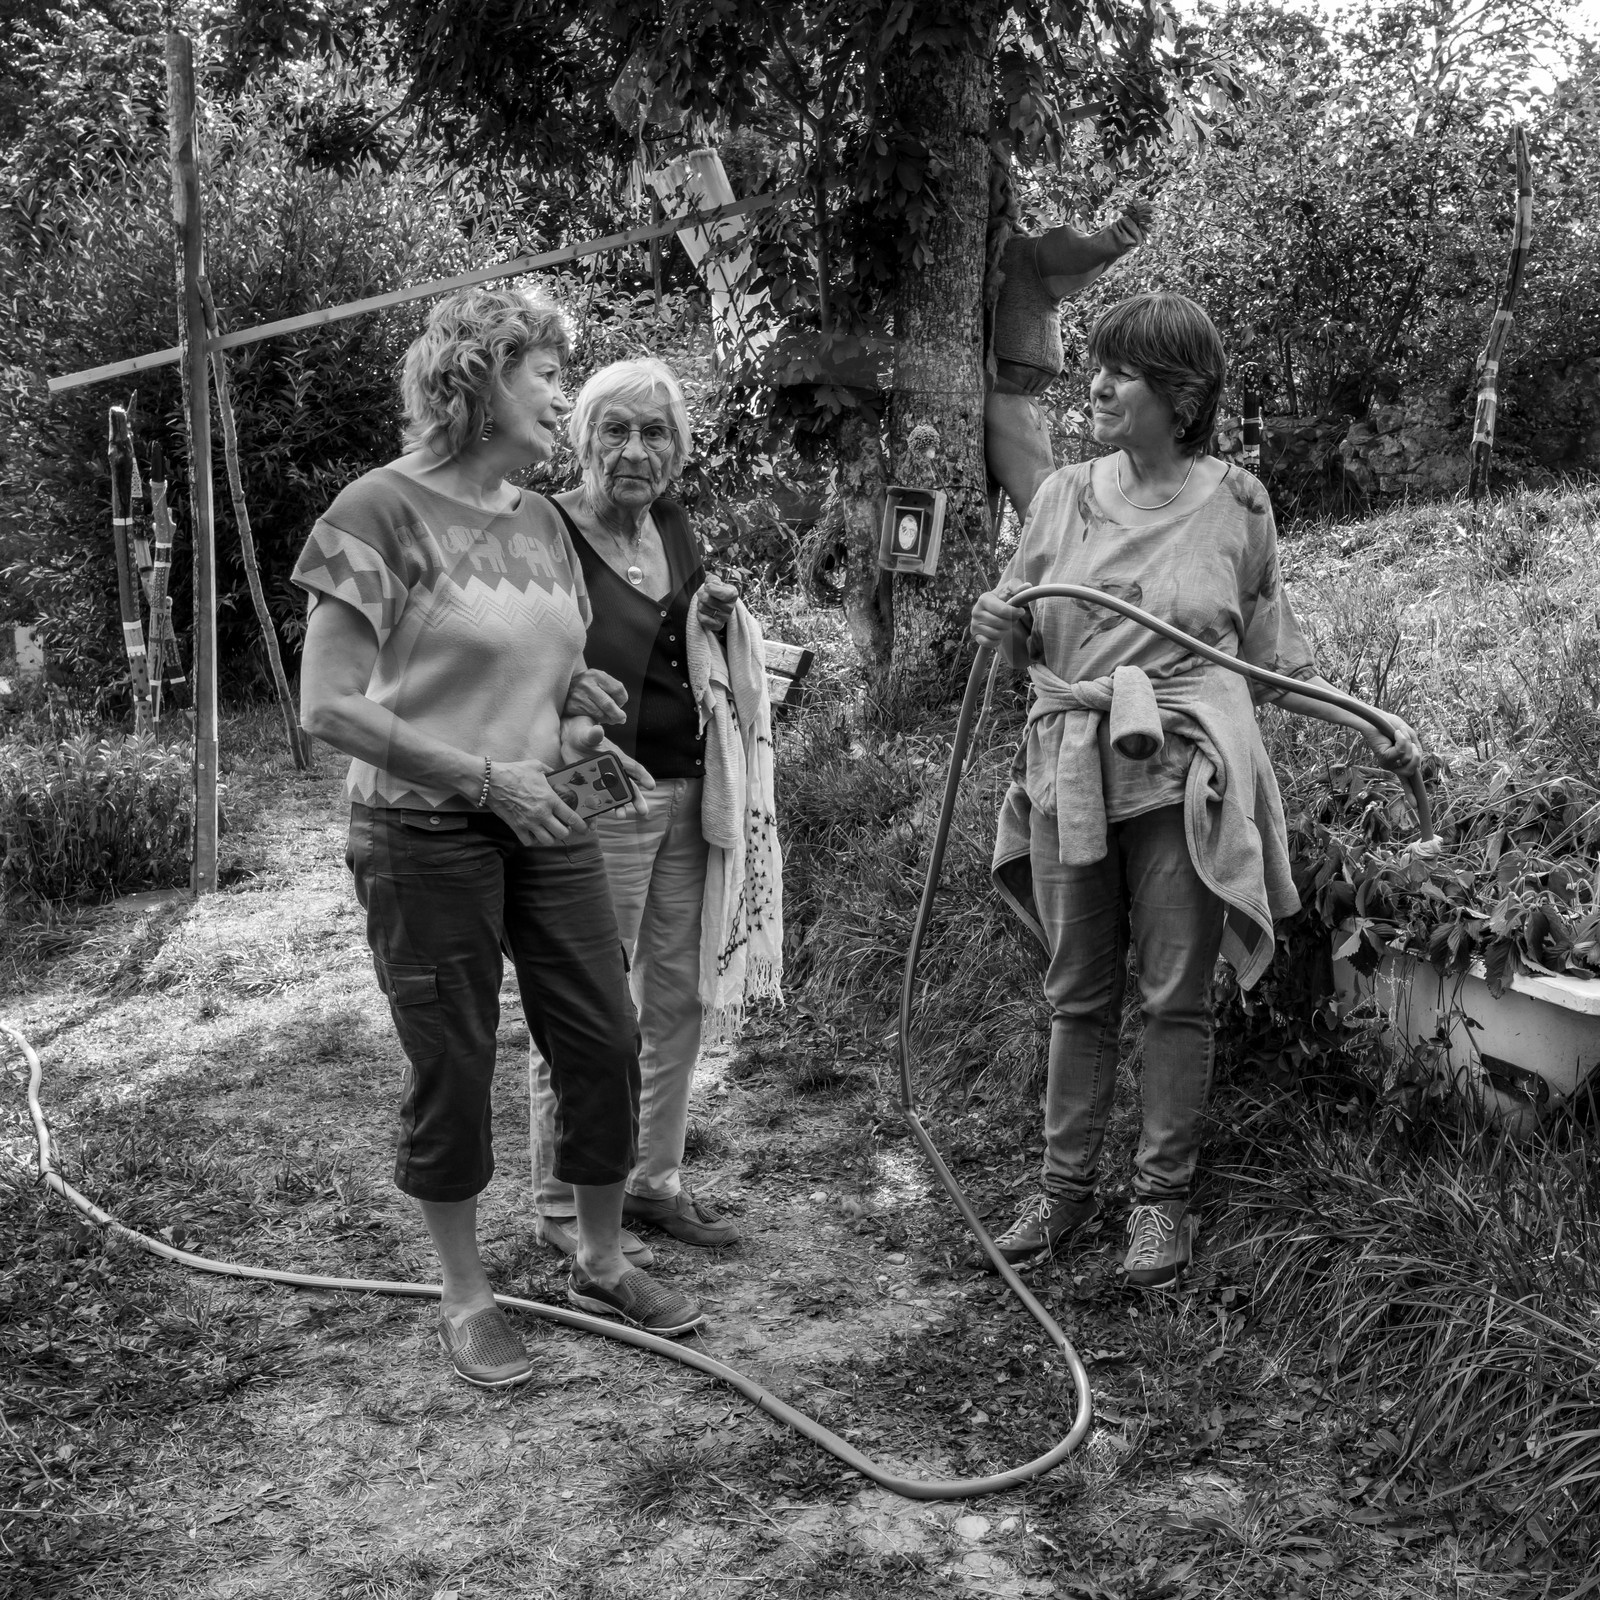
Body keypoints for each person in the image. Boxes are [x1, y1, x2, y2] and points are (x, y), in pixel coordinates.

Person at [295, 287, 707, 1390]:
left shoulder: (541, 523)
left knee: (605, 1036)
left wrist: (583, 712)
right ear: (477, 380)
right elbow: (328, 708)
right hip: (424, 827)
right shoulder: (373, 512)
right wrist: (486, 776)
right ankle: (466, 1292)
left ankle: (599, 1254)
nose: (559, 398)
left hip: (548, 813)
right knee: (457, 1058)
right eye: (543, 376)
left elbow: (552, 663)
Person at [970, 292, 1421, 1288]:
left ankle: (1159, 1202)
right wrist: (997, 626)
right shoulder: (1061, 497)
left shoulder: (1238, 502)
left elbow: (1269, 663)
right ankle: (1059, 1189)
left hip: (1186, 773)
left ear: (1179, 396)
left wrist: (1376, 726)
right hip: (1072, 765)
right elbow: (1024, 621)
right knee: (1075, 990)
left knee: (1176, 997)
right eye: (1096, 367)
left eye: (1118, 373)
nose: (1093, 388)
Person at [529, 356, 782, 1257]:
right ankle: (563, 1201)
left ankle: (651, 1179)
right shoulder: (545, 527)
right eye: (616, 429)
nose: (636, 450)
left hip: (688, 785)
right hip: (597, 788)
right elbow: (518, 656)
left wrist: (711, 611)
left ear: (678, 450)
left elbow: (684, 641)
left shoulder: (672, 525)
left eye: (656, 433)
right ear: (581, 438)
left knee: (679, 995)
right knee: (586, 998)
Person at [985, 162, 1153, 519]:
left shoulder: (1017, 252)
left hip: (1018, 395)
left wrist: (1121, 234)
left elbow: (1079, 253)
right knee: (1042, 507)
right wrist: (1121, 233)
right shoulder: (1018, 255)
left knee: (1044, 498)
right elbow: (1078, 252)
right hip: (1003, 393)